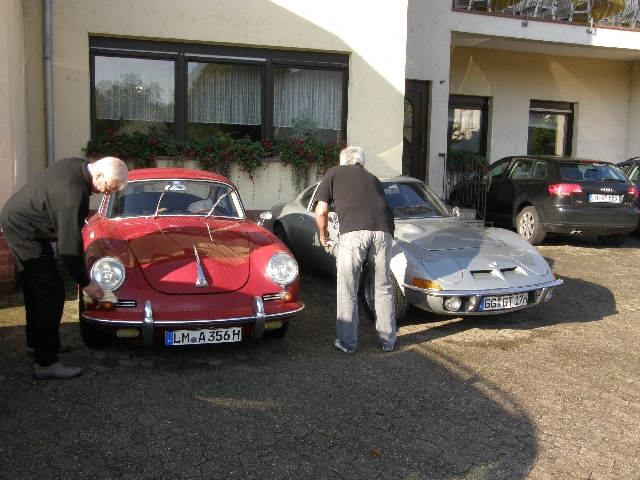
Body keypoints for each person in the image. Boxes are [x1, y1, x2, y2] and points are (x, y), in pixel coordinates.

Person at [0, 156, 128, 380]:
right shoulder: (72, 194)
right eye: (108, 187)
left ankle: (35, 344)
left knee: (33, 287)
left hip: (21, 220)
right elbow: (69, 247)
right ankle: (46, 362)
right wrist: (86, 283)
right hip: (24, 230)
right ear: (98, 175)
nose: (105, 193)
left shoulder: (79, 166)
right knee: (52, 292)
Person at [314, 146, 396, 354]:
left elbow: (321, 211)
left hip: (353, 232)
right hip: (384, 231)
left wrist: (323, 235)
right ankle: (388, 341)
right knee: (383, 286)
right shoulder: (373, 178)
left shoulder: (333, 173)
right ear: (362, 162)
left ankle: (347, 343)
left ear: (343, 161)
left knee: (348, 286)